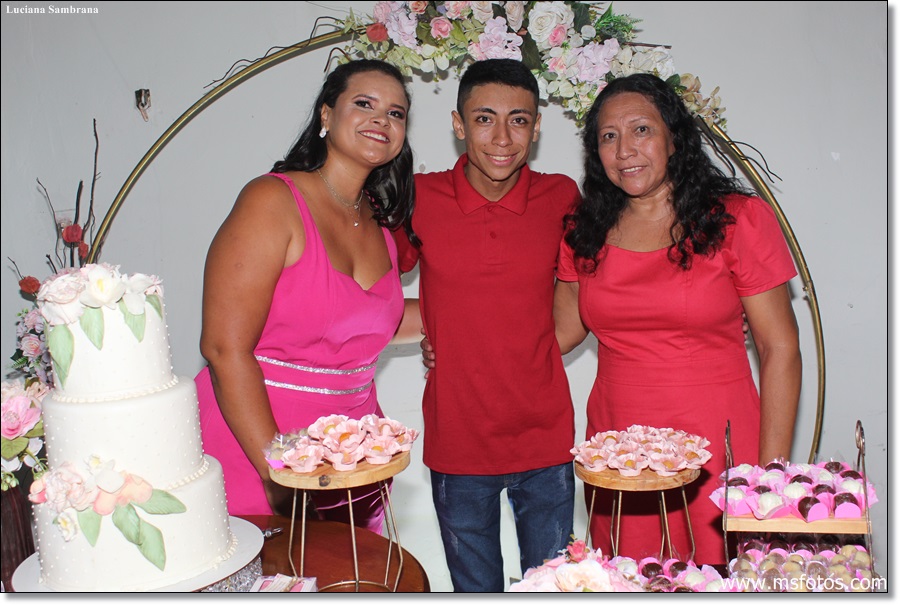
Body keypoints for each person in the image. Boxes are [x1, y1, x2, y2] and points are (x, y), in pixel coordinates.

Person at [553, 72, 802, 565]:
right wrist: (457, 335)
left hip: (718, 441)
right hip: (619, 449)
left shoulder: (737, 219)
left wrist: (769, 477)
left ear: (674, 138)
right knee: (628, 576)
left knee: (724, 575)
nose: (625, 150)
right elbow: (558, 333)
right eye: (608, 136)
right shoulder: (584, 230)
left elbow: (781, 349)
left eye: (641, 129)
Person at [195, 59, 423, 534]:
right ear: (326, 114)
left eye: (396, 113)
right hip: (260, 441)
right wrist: (277, 467)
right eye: (364, 104)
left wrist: (487, 310)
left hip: (354, 458)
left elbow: (367, 323)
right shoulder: (271, 200)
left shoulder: (378, 223)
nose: (381, 120)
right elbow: (222, 347)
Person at [394, 59, 579, 592]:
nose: (502, 138)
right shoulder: (420, 197)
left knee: (554, 589)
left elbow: (587, 293)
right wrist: (441, 331)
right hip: (457, 440)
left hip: (545, 440)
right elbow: (369, 288)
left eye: (518, 120)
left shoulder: (561, 196)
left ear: (536, 127)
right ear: (458, 124)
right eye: (484, 119)